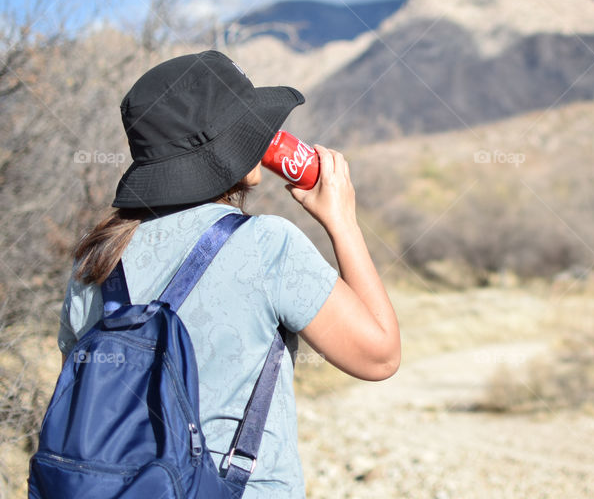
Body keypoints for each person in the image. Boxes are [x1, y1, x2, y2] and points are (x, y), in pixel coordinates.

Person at [57, 50, 401, 498]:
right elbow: (380, 356)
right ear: (223, 150)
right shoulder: (266, 243)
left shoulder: (94, 261)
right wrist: (343, 221)